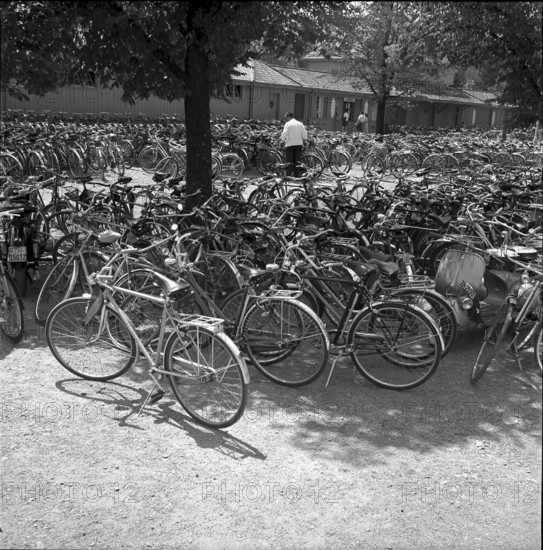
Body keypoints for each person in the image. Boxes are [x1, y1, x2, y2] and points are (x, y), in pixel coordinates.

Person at [280, 111, 307, 177]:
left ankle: (288, 176)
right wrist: (305, 139)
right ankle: (296, 176)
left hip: (290, 144)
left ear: (288, 117)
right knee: (297, 161)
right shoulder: (300, 124)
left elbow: (285, 133)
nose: (286, 119)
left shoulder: (288, 124)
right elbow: (304, 134)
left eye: (286, 118)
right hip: (299, 144)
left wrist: (281, 139)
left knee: (289, 162)